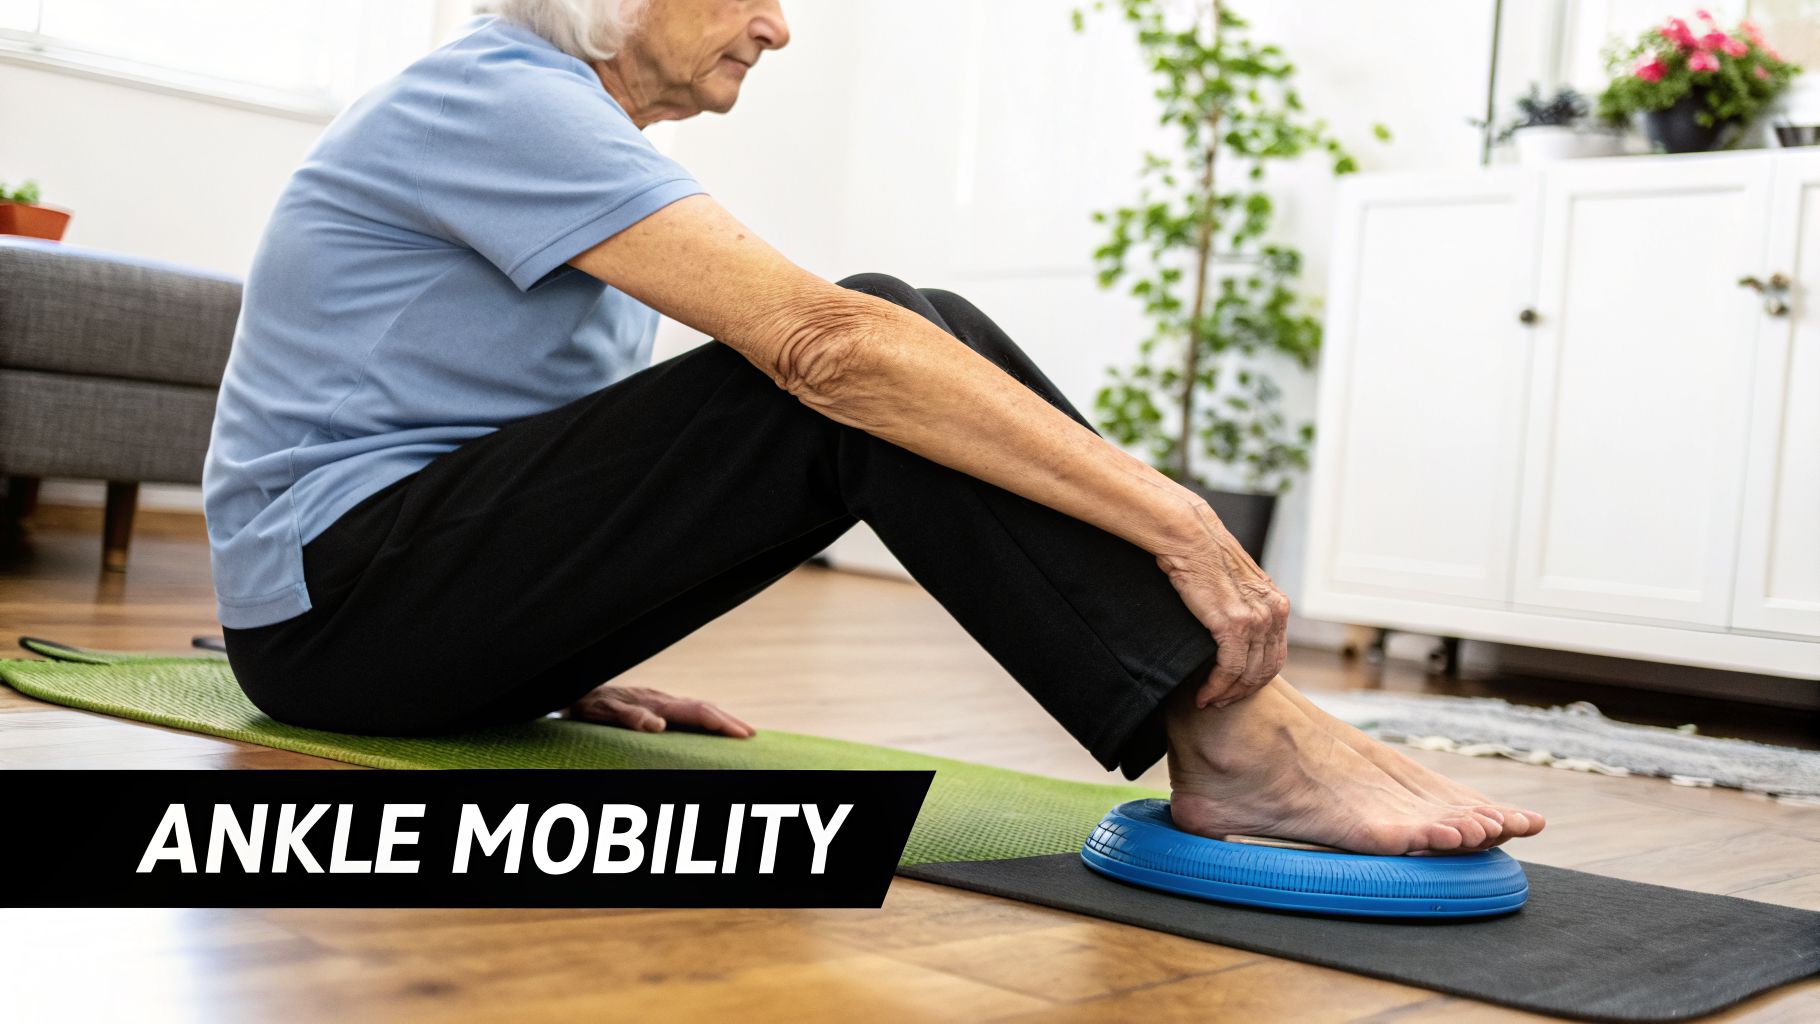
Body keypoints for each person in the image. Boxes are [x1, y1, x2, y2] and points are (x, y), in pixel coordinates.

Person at [205, 0, 1543, 855]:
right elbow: (827, 349)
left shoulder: (562, 125)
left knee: (909, 327)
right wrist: (1176, 516)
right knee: (864, 344)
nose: (778, 27)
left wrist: (540, 641)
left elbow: (522, 444)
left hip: (386, 612)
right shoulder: (494, 99)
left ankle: (1249, 722)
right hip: (336, 616)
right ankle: (1241, 736)